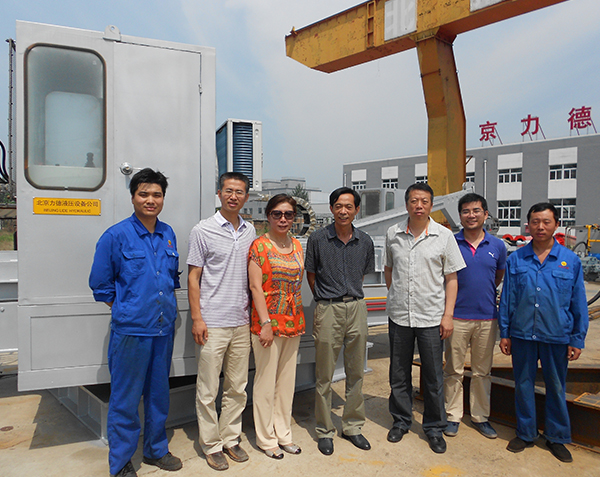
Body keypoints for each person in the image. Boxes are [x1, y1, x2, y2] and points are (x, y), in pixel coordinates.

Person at [89, 168, 182, 477]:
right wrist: (128, 309)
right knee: (125, 399)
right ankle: (121, 462)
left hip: (163, 329)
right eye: (144, 194)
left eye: (157, 194)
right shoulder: (116, 236)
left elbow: (171, 278)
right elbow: (101, 284)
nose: (150, 200)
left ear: (163, 198)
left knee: (158, 395)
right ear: (132, 197)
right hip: (131, 332)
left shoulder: (168, 233)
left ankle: (156, 450)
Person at [499, 202, 588, 463]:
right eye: (535, 222)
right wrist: (505, 332)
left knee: (556, 387)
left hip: (556, 335)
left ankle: (556, 437)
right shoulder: (516, 259)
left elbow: (578, 302)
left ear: (556, 225)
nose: (540, 227)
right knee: (523, 385)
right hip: (522, 334)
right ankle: (526, 433)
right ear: (528, 226)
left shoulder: (570, 261)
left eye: (546, 222)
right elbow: (507, 299)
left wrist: (577, 338)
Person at [384, 182, 465, 454]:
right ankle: (401, 420)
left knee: (433, 376)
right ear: (407, 204)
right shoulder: (393, 233)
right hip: (400, 316)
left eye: (424, 201)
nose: (419, 206)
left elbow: (451, 278)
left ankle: (433, 427)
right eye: (414, 201)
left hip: (431, 317)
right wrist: (397, 296)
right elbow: (389, 270)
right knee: (398, 373)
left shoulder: (444, 236)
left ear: (431, 205)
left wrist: (448, 315)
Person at [187, 172, 256, 471]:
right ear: (219, 193)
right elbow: (193, 277)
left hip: (241, 321)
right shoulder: (202, 230)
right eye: (228, 191)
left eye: (239, 192)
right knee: (208, 389)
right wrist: (197, 318)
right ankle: (211, 445)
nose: (233, 196)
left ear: (246, 197)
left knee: (237, 386)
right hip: (212, 322)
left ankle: (231, 438)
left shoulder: (250, 231)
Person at [305, 187, 375, 456]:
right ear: (332, 208)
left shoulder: (365, 241)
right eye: (338, 206)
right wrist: (325, 299)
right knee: (324, 375)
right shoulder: (318, 239)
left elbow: (362, 275)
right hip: (328, 309)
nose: (343, 211)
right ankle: (324, 430)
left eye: (348, 206)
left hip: (356, 307)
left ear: (356, 210)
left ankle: (353, 427)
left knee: (356, 372)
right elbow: (311, 274)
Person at [443, 193, 506, 439]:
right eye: (466, 211)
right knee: (453, 370)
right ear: (460, 216)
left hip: (487, 317)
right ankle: (453, 415)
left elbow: (497, 276)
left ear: (485, 214)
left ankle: (480, 416)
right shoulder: (450, 242)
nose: (471, 215)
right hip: (456, 317)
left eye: (476, 210)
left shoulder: (497, 246)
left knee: (482, 371)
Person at [248, 194, 305, 460]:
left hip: (293, 322)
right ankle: (266, 438)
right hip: (267, 324)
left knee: (286, 383)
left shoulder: (297, 245)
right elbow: (255, 287)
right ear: (268, 216)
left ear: (294, 218)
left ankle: (284, 434)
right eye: (277, 214)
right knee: (265, 382)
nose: (283, 219)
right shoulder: (259, 246)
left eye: (288, 214)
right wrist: (266, 324)